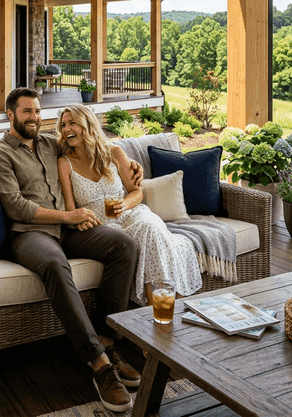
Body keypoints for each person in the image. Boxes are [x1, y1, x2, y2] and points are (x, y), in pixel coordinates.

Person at [0, 88, 142, 413]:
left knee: (124, 245)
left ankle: (110, 342)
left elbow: (87, 139)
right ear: (10, 115)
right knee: (56, 265)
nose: (34, 118)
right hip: (30, 234)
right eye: (27, 112)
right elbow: (15, 207)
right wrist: (69, 216)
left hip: (67, 231)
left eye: (38, 112)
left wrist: (128, 161)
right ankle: (98, 363)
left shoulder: (47, 143)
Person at [56, 104, 203, 305]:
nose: (66, 129)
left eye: (72, 123)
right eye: (63, 125)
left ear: (88, 124)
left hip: (132, 213)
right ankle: (162, 309)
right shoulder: (65, 163)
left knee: (149, 227)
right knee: (141, 238)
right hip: (102, 226)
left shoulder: (114, 152)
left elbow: (136, 192)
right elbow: (71, 209)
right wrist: (78, 221)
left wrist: (124, 205)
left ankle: (160, 308)